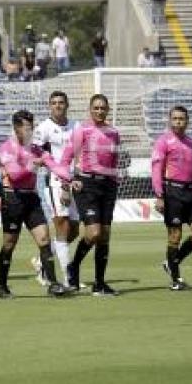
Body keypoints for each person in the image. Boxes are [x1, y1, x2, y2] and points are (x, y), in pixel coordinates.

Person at [0, 110, 74, 299]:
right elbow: (14, 175)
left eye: (31, 127)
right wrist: (34, 164)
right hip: (12, 198)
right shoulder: (7, 148)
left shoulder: (36, 149)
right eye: (26, 127)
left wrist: (70, 179)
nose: (30, 131)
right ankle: (3, 286)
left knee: (44, 240)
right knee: (9, 244)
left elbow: (54, 165)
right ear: (16, 128)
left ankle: (53, 284)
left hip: (31, 198)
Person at [58, 94, 123, 296]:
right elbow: (66, 158)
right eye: (96, 108)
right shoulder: (82, 130)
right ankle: (73, 266)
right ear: (90, 109)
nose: (99, 111)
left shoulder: (113, 132)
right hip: (86, 184)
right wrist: (65, 184)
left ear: (108, 109)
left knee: (104, 236)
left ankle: (100, 284)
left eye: (103, 108)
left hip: (108, 186)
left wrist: (114, 180)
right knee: (93, 233)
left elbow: (114, 160)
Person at [151, 106, 192, 291]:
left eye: (181, 118)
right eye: (175, 118)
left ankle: (170, 262)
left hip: (191, 193)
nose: (178, 122)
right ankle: (175, 279)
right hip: (172, 192)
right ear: (169, 120)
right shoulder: (163, 142)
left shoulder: (191, 142)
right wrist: (159, 195)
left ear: (187, 121)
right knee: (175, 236)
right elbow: (156, 169)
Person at [31, 91, 81, 288]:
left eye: (61, 102)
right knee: (62, 226)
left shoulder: (76, 126)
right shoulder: (43, 128)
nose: (58, 106)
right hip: (55, 181)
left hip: (76, 180)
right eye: (54, 103)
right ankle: (68, 279)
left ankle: (43, 262)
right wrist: (47, 162)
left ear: (67, 105)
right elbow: (34, 150)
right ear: (49, 106)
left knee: (74, 230)